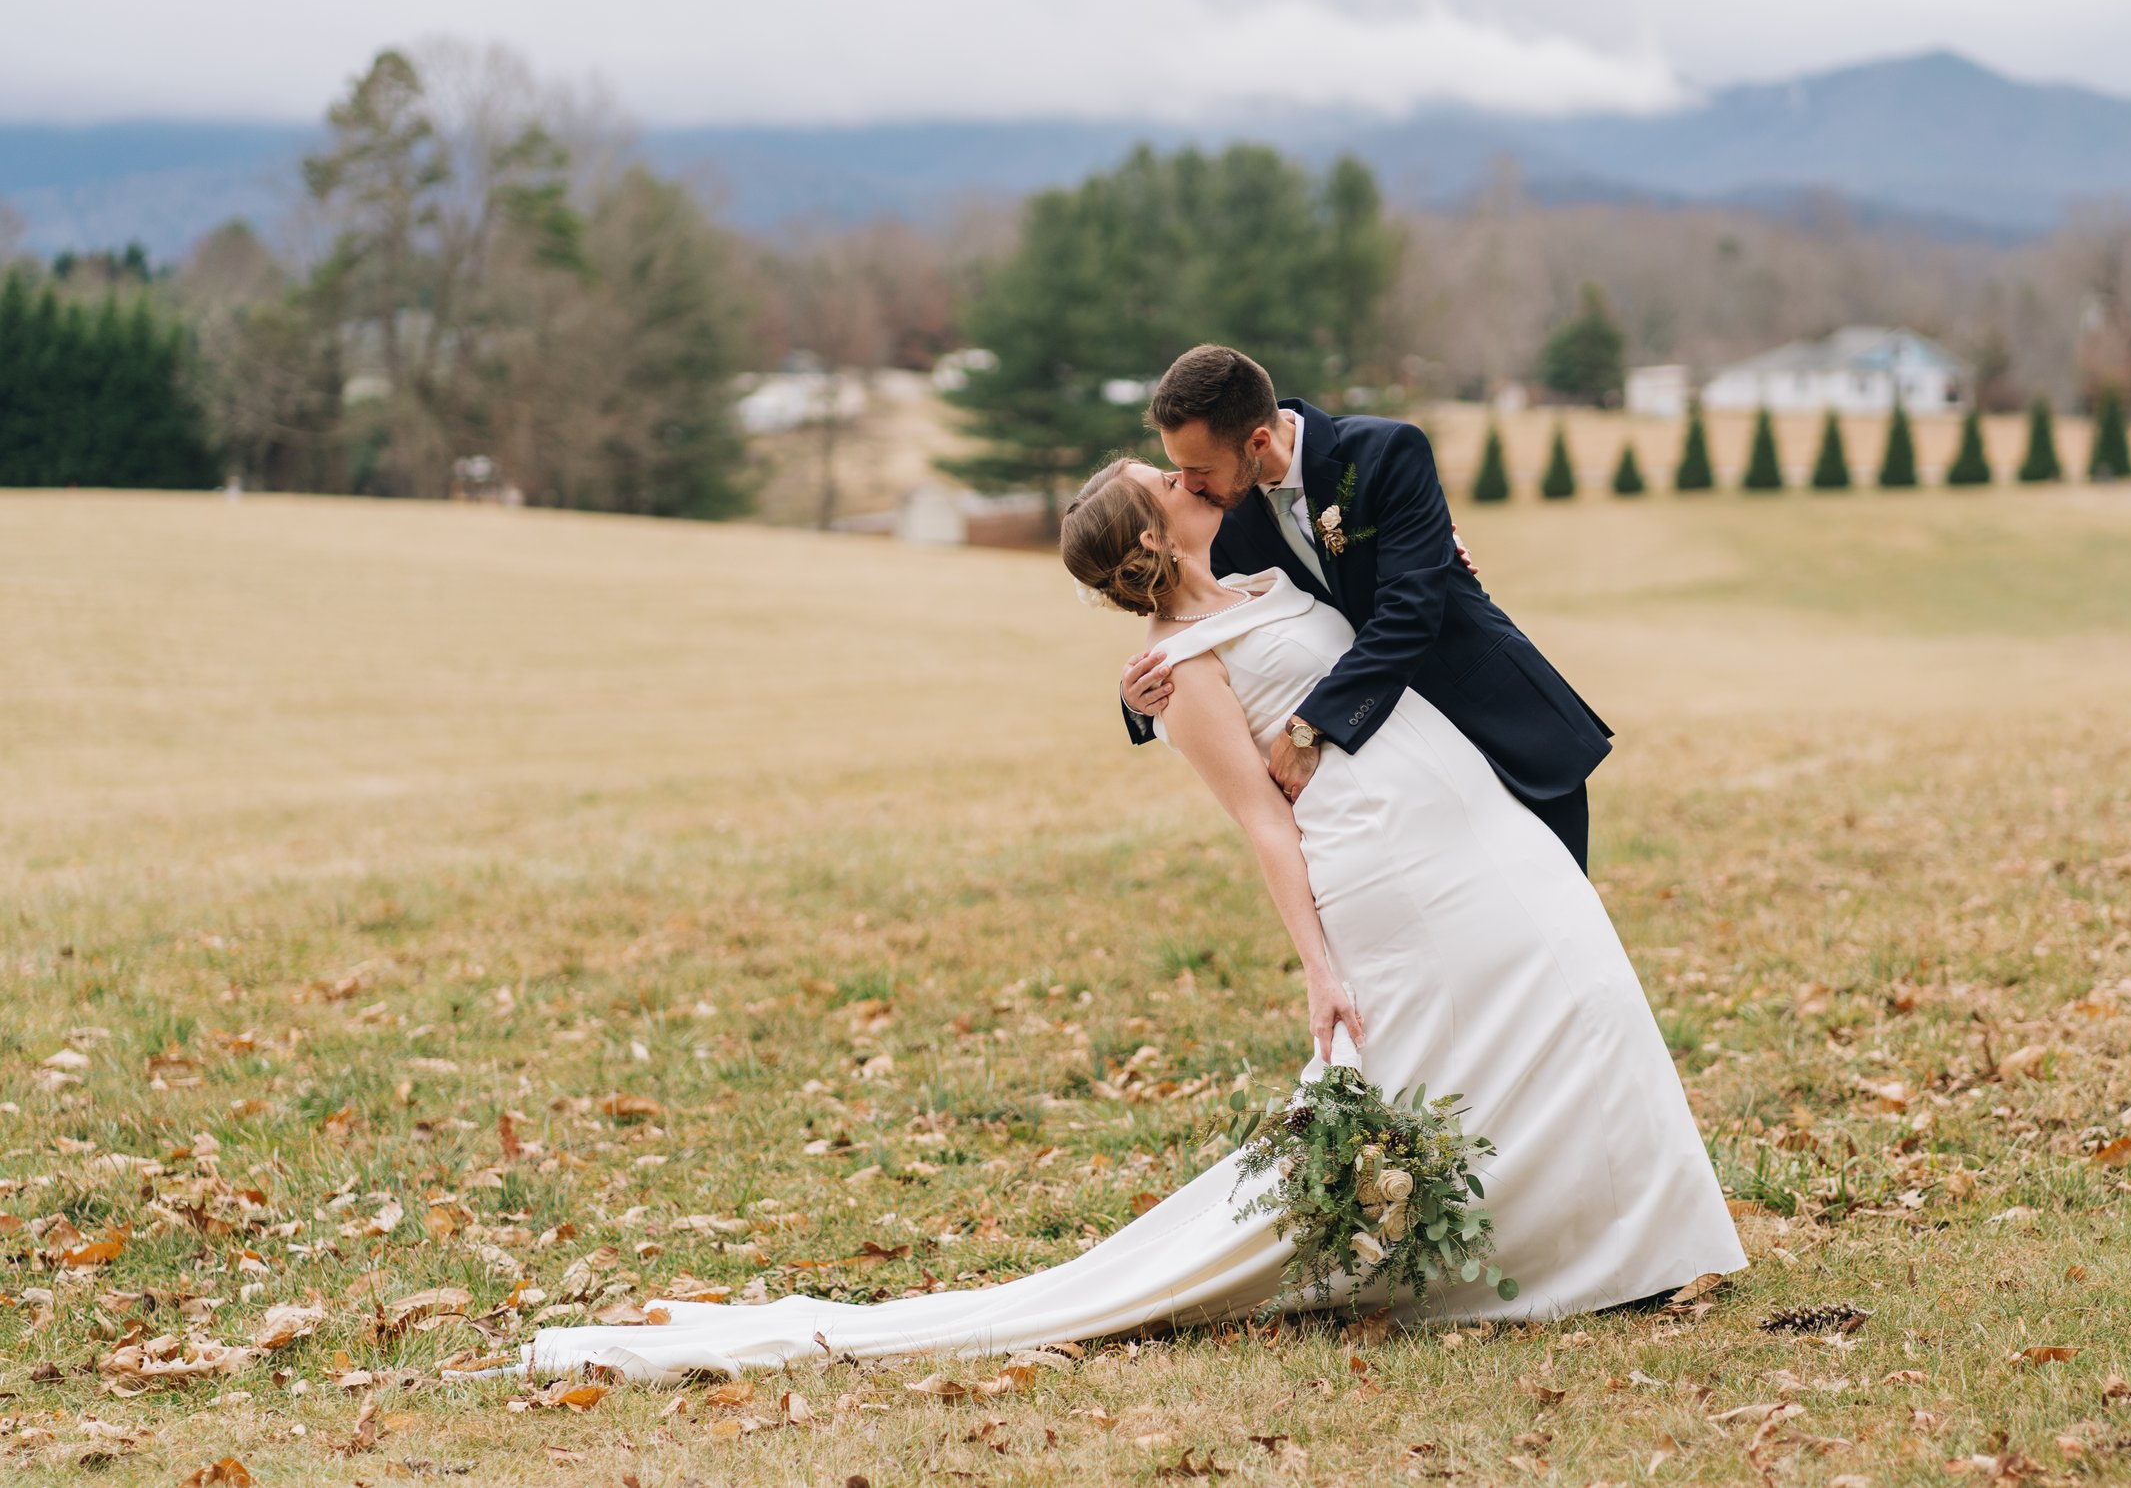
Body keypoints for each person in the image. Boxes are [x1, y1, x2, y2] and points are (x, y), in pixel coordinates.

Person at [506, 459, 1742, 1381]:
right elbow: (1261, 821)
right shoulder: (1176, 669)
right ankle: (1557, 1249)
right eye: (1166, 477)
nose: (1188, 474)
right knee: (1456, 1048)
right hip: (1388, 867)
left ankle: (1628, 1227)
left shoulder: (1265, 562)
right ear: (1156, 525)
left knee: (1579, 983)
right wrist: (1316, 965)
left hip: (1469, 819)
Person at [1120, 345, 1611, 871]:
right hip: (1398, 771)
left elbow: (1409, 612)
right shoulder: (1224, 521)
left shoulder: (1386, 452)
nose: (1191, 487)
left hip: (1492, 720)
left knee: (1557, 918)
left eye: (1200, 469)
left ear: (1258, 441)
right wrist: (1138, 697)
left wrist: (1309, 726)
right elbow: (1191, 614)